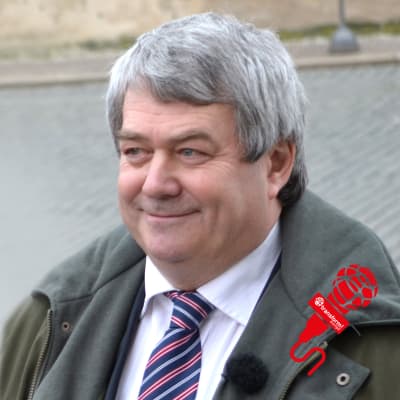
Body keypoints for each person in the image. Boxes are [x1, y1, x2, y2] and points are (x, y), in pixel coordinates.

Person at [1, 12, 400, 400]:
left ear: (276, 164)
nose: (155, 184)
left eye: (190, 151)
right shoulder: (48, 322)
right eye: (136, 151)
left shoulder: (376, 347)